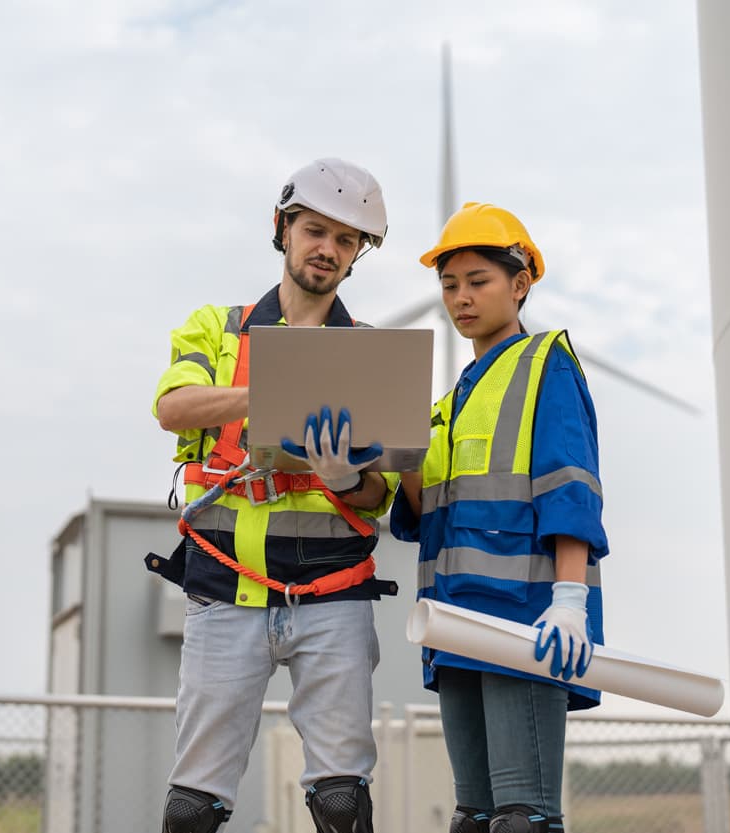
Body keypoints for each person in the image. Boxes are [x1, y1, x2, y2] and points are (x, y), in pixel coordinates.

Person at [147, 158, 400, 833]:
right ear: (283, 228)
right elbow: (174, 407)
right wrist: (273, 393)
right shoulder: (218, 328)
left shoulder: (372, 354)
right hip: (225, 590)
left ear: (357, 256)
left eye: (347, 241)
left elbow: (383, 493)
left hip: (334, 596)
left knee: (343, 801)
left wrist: (352, 478)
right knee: (192, 807)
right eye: (315, 230)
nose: (328, 249)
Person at [392, 202, 609, 833]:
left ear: (520, 284)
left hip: (527, 621)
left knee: (523, 820)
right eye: (448, 284)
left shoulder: (546, 366)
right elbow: (420, 513)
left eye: (477, 281)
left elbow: (571, 486)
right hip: (454, 623)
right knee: (475, 819)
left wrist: (570, 600)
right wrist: (390, 450)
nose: (460, 298)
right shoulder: (449, 402)